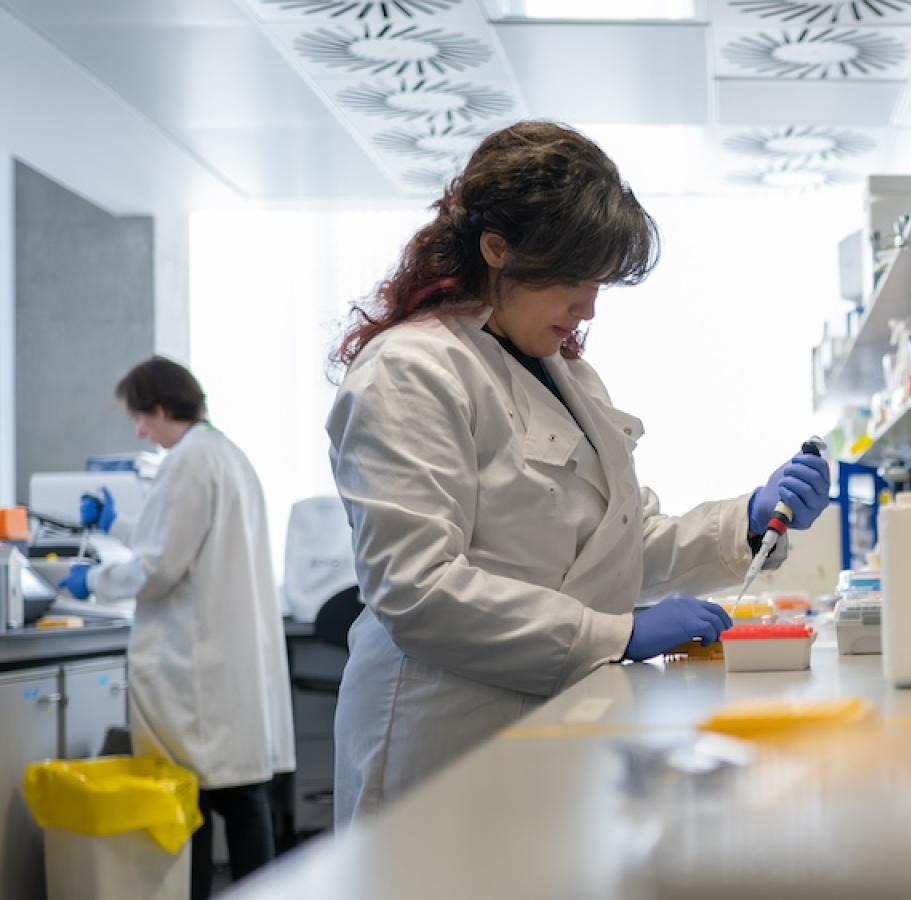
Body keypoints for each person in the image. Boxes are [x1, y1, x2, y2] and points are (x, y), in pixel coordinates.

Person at [325, 121, 831, 826]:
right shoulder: (411, 371)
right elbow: (418, 590)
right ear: (496, 248)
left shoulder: (565, 373)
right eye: (572, 279)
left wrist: (746, 519)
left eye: (597, 282)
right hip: (442, 737)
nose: (588, 307)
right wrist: (616, 636)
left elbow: (618, 541)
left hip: (557, 724)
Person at [62, 357, 295, 899]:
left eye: (140, 419)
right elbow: (172, 536)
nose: (140, 431)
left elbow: (160, 566)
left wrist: (91, 579)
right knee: (242, 799)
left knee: (193, 810)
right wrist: (112, 523)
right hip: (227, 667)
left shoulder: (187, 461)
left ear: (162, 408)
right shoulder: (225, 454)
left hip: (198, 670)